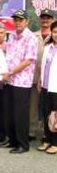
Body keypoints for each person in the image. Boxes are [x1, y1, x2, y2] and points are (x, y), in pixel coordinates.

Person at [0, 10, 38, 154]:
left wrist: (10, 72)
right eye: (15, 20)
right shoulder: (12, 36)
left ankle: (23, 143)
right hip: (9, 80)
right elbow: (8, 56)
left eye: (20, 20)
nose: (17, 22)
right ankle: (12, 140)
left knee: (20, 114)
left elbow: (28, 61)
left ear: (26, 22)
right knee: (9, 112)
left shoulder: (31, 38)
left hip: (22, 82)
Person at [29, 8, 54, 141]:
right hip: (33, 77)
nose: (45, 20)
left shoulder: (55, 36)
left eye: (48, 18)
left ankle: (46, 132)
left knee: (47, 107)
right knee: (32, 107)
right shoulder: (33, 36)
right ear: (40, 19)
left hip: (49, 80)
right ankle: (32, 131)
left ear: (52, 19)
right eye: (43, 18)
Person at [37, 20, 57, 154]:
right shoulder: (47, 48)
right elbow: (42, 67)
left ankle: (55, 143)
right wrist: (39, 81)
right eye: (55, 31)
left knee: (55, 116)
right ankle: (47, 140)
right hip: (45, 86)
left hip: (56, 88)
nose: (56, 34)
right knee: (46, 113)